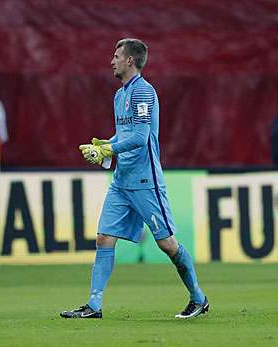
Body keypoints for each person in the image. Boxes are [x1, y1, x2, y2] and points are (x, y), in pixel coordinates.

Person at [61, 38, 208, 319]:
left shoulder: (143, 93)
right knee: (104, 238)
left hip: (145, 181)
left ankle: (198, 299)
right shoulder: (120, 95)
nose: (112, 61)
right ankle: (94, 305)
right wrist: (104, 146)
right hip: (121, 180)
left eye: (116, 56)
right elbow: (124, 134)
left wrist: (109, 148)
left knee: (167, 244)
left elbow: (140, 138)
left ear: (130, 60)